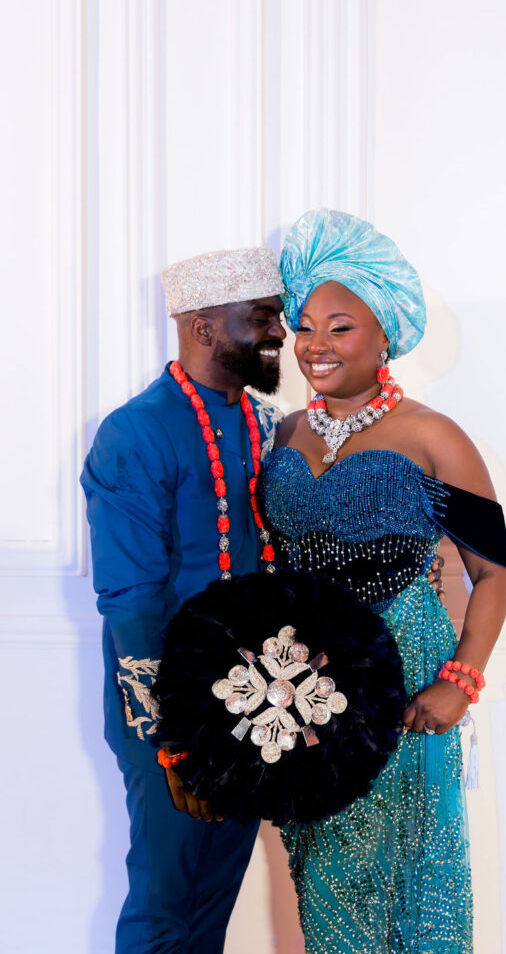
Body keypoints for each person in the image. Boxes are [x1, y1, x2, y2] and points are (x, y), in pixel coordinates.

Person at [259, 209, 506, 953]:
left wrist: (460, 680)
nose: (314, 345)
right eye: (305, 326)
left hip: (405, 682)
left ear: (384, 335)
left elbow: (492, 573)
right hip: (306, 688)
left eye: (339, 327)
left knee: (404, 875)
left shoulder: (433, 437)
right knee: (326, 880)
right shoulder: (281, 435)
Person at [80, 247, 288, 953]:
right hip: (171, 706)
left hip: (257, 702)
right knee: (165, 900)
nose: (279, 335)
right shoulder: (135, 432)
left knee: (213, 902)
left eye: (277, 317)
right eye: (260, 319)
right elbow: (132, 599)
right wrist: (172, 739)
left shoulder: (266, 425)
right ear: (203, 328)